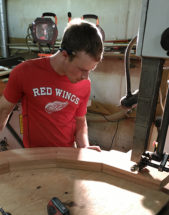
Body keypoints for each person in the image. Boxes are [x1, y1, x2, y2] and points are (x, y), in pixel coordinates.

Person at [0, 18, 104, 151]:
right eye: (82, 70)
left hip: (67, 156)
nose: (86, 77)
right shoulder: (25, 72)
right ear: (65, 55)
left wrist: (85, 147)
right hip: (35, 157)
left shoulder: (84, 84)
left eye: (90, 70)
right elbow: (3, 111)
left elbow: (80, 122)